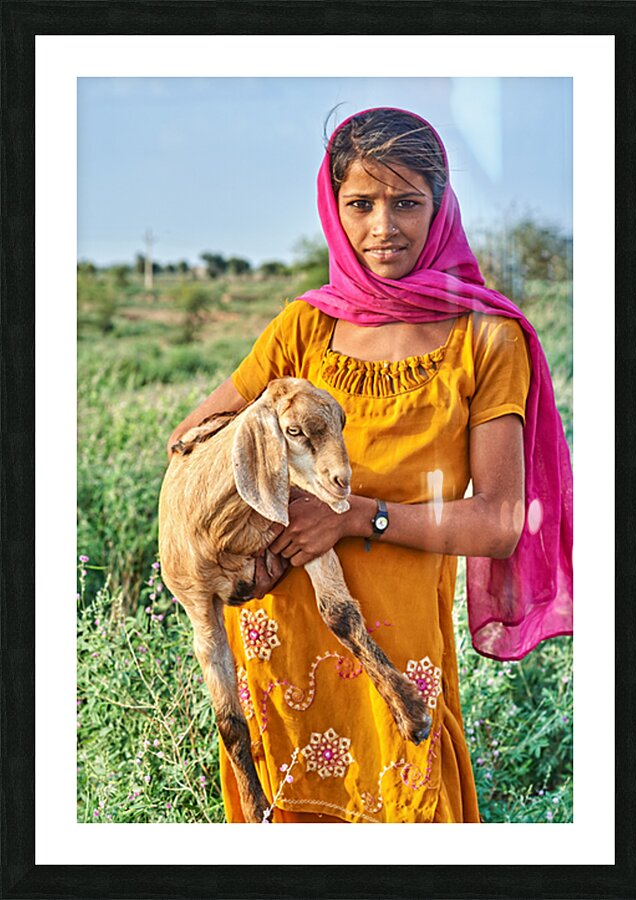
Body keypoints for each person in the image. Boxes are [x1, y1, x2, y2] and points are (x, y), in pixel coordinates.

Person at [168, 107, 573, 823]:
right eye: (361, 203)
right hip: (273, 637)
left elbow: (502, 522)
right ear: (334, 207)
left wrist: (359, 516)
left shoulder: (485, 339)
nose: (382, 225)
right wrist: (246, 531)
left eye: (407, 201)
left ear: (440, 206)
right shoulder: (304, 328)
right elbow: (196, 437)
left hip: (395, 656)